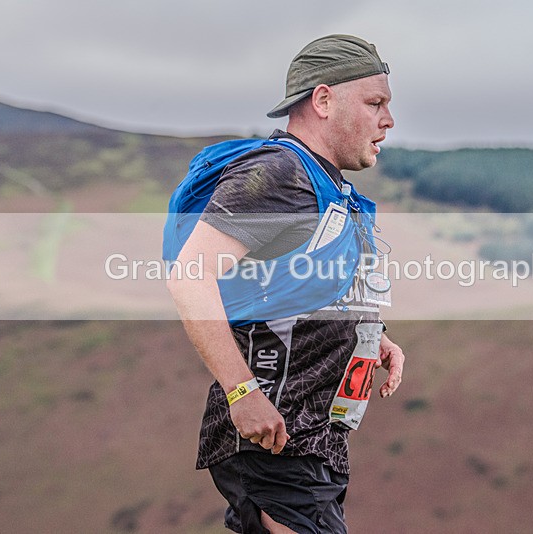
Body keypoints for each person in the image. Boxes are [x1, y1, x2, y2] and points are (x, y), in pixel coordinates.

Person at [167, 34, 405, 534]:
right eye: (375, 103)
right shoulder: (280, 175)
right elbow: (190, 275)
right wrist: (242, 393)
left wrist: (369, 335)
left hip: (309, 444)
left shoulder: (325, 185)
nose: (388, 120)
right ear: (323, 100)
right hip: (275, 441)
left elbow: (290, 283)